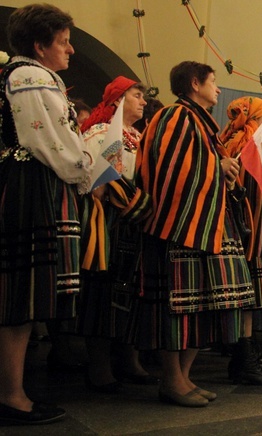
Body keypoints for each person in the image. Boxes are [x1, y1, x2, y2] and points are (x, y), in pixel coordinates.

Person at [132, 61, 255, 407]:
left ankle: (184, 377)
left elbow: (201, 163)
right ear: (194, 83)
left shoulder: (202, 123)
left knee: (205, 305)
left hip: (208, 225)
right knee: (179, 306)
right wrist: (220, 165)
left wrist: (224, 168)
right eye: (213, 82)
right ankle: (171, 379)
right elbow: (170, 165)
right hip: (181, 227)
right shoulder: (175, 116)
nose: (218, 89)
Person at [0, 3, 94, 424]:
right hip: (28, 186)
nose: (71, 50)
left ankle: (14, 390)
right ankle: (11, 396)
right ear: (40, 46)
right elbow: (54, 142)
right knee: (19, 296)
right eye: (64, 41)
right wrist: (87, 166)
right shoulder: (31, 76)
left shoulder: (18, 74)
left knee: (19, 297)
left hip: (22, 182)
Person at [79, 76, 155, 392]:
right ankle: (99, 364)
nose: (143, 101)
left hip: (134, 224)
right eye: (137, 95)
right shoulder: (99, 133)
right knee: (103, 290)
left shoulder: (140, 137)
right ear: (119, 100)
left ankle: (129, 356)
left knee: (131, 289)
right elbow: (90, 176)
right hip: (108, 223)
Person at [218, 96, 262, 386]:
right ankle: (243, 357)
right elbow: (258, 189)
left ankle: (243, 354)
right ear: (255, 118)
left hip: (246, 228)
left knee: (246, 296)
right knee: (247, 294)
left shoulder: (237, 142)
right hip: (247, 231)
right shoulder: (249, 144)